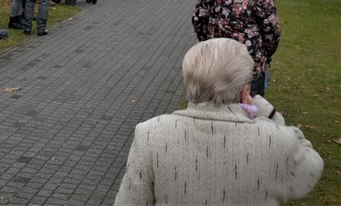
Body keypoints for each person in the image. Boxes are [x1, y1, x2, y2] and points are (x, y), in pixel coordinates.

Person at [114, 38, 323, 205]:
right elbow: (312, 168)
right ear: (244, 90)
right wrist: (266, 112)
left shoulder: (151, 134)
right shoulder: (276, 139)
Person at [192, 0, 281, 96]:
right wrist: (263, 54)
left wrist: (210, 42)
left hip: (217, 64)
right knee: (247, 113)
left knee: (219, 112)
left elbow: (198, 20)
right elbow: (272, 31)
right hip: (247, 68)